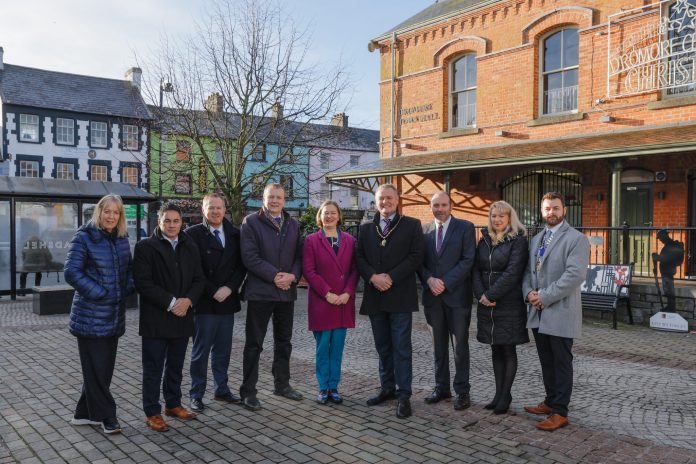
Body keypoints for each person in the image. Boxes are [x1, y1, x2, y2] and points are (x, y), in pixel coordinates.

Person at [64, 194, 134, 434]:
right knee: (97, 369)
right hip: (90, 316)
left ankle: (83, 414)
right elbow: (71, 272)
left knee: (101, 370)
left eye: (116, 212)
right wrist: (99, 293)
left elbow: (129, 270)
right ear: (99, 212)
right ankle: (107, 416)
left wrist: (126, 287)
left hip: (113, 317)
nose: (111, 216)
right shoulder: (84, 236)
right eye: (107, 211)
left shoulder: (122, 238)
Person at [134, 202, 205, 432]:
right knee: (153, 368)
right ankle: (152, 412)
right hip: (156, 319)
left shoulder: (189, 245)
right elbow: (143, 283)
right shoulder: (146, 247)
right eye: (167, 221)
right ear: (159, 221)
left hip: (183, 317)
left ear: (181, 222)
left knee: (175, 366)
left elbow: (199, 279)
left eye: (176, 221)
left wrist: (189, 301)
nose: (172, 225)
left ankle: (173, 404)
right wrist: (173, 302)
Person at [522, 192, 589, 431]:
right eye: (547, 208)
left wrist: (544, 297)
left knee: (561, 362)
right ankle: (550, 401)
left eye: (556, 208)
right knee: (546, 360)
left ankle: (560, 411)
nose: (552, 212)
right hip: (538, 312)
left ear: (564, 210)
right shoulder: (537, 238)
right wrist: (529, 293)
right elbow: (529, 272)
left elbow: (574, 275)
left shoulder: (576, 239)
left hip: (560, 309)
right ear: (542, 211)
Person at [356, 183, 424, 419]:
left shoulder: (411, 225)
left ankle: (404, 395)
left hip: (400, 296)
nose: (385, 202)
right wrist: (373, 277)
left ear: (397, 200)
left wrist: (391, 277)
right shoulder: (366, 228)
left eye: (389, 198)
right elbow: (360, 257)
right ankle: (387, 387)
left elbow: (416, 257)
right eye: (381, 198)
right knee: (383, 346)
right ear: (375, 201)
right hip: (376, 295)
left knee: (402, 348)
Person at [239, 183, 304, 411]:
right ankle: (248, 392)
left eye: (279, 197)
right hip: (261, 292)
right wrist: (275, 276)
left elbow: (299, 256)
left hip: (286, 293)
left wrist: (293, 276)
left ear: (284, 200)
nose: (275, 201)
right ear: (263, 199)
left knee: (284, 342)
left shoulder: (293, 224)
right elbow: (249, 257)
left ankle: (282, 384)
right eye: (271, 197)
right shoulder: (251, 222)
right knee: (254, 344)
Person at [185, 193, 246, 412]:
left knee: (223, 350)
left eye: (219, 208)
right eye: (211, 208)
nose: (215, 211)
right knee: (200, 351)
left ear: (225, 209)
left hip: (227, 300)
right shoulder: (192, 234)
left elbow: (241, 266)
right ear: (203, 210)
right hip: (204, 301)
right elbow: (193, 268)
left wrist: (230, 287)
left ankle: (221, 389)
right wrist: (213, 290)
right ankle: (196, 393)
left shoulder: (235, 234)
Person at [419, 191, 475, 411]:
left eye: (444, 205)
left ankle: (462, 391)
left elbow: (468, 259)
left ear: (451, 206)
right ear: (430, 207)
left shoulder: (466, 227)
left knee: (460, 346)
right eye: (436, 205)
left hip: (457, 297)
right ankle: (441, 387)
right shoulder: (423, 231)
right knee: (438, 347)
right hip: (432, 298)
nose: (440, 209)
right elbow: (418, 261)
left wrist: (445, 282)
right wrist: (428, 279)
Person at [472, 201, 529, 415]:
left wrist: (491, 294)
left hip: (508, 302)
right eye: (494, 216)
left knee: (507, 348)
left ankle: (506, 395)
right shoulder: (484, 239)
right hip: (487, 303)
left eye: (501, 216)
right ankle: (497, 394)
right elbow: (475, 270)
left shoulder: (518, 241)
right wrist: (481, 295)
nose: (497, 220)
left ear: (509, 218)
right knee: (495, 347)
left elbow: (513, 273)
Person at [303, 201, 359, 405]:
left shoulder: (351, 241)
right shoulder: (311, 240)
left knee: (337, 348)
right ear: (320, 216)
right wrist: (327, 293)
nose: (329, 216)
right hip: (322, 302)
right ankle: (322, 387)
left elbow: (355, 269)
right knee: (322, 347)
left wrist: (348, 292)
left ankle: (334, 386)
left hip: (343, 302)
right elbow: (309, 271)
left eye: (333, 213)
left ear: (339, 216)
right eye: (325, 213)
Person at [652, 229, 684, 313]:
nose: (660, 240)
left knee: (669, 290)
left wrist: (657, 258)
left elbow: (668, 258)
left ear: (664, 236)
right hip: (666, 271)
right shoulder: (668, 245)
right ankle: (670, 306)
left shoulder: (671, 245)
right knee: (668, 290)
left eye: (660, 238)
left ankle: (671, 308)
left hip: (668, 271)